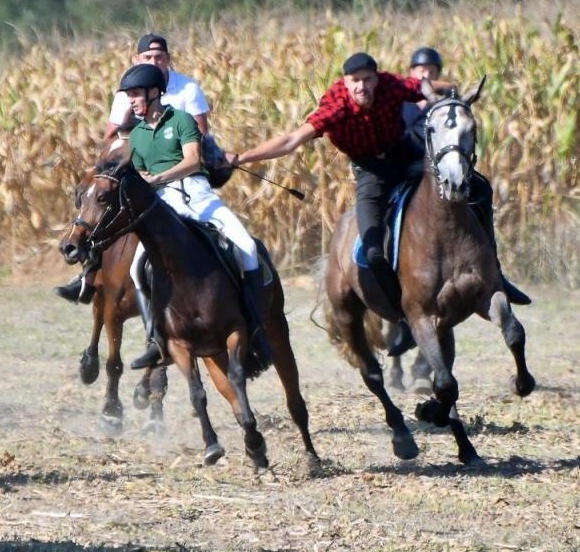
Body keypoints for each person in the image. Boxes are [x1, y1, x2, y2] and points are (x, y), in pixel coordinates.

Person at [228, 50, 529, 356]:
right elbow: (291, 140)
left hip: (407, 155)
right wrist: (241, 157)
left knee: (481, 188)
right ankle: (406, 317)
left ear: (376, 78)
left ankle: (496, 275)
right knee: (371, 251)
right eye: (355, 81)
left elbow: (429, 86)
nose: (362, 87)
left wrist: (454, 91)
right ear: (345, 82)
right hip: (372, 174)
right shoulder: (335, 108)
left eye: (367, 80)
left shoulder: (390, 85)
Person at [113, 62, 270, 372]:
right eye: (128, 96)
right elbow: (141, 169)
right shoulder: (139, 135)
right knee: (135, 269)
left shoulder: (181, 119)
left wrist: (157, 178)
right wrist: (147, 178)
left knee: (247, 248)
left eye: (135, 94)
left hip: (196, 194)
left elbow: (193, 159)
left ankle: (256, 328)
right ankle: (156, 340)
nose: (131, 101)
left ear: (155, 92)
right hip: (164, 204)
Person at [56, 32, 229, 304]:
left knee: (238, 244)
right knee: (101, 207)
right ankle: (88, 273)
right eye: (147, 57)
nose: (153, 60)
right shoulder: (129, 95)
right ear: (136, 59)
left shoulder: (187, 91)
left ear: (167, 59)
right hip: (143, 174)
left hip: (184, 172)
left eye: (159, 56)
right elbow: (112, 138)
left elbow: (200, 136)